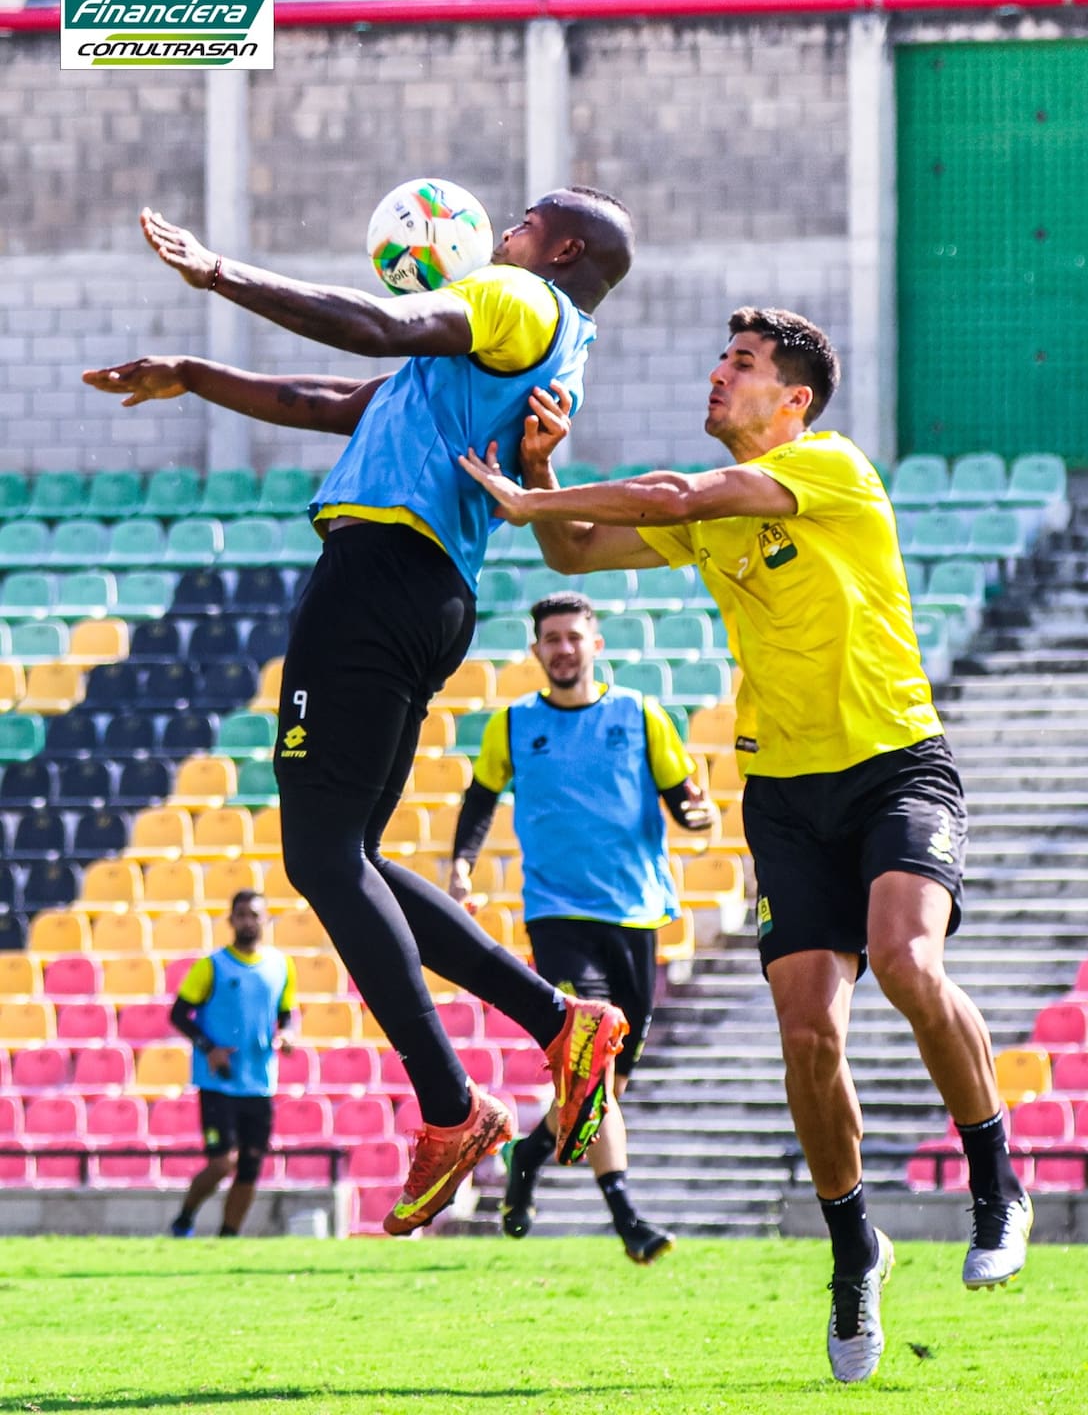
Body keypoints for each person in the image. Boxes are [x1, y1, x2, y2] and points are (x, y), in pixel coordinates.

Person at [460, 306, 1033, 1383]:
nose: (719, 374)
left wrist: (531, 490)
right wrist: (549, 468)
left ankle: (997, 1177)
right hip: (783, 794)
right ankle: (854, 1242)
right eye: (720, 358)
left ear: (794, 400)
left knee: (908, 961)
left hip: (895, 765)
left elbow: (672, 494)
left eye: (744, 364)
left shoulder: (831, 468)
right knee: (809, 1035)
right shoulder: (713, 518)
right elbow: (576, 547)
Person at [83, 186, 637, 1235]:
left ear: (555, 249)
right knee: (353, 857)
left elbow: (375, 320)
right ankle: (560, 1025)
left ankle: (452, 1103)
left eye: (520, 220)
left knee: (324, 857)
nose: (500, 231)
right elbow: (336, 397)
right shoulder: (501, 351)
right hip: (423, 590)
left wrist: (219, 273)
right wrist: (195, 373)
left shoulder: (516, 298)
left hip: (381, 573)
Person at [449, 590, 715, 1263]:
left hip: (637, 915)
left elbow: (684, 800)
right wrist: (460, 868)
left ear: (596, 645)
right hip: (557, 915)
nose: (563, 648)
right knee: (589, 1066)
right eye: (551, 639)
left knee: (595, 1093)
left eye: (574, 636)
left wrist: (700, 818)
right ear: (535, 650)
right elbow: (480, 798)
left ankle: (527, 1160)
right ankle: (627, 1218)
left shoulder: (642, 715)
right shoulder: (511, 725)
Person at [167, 890, 297, 1238]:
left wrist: (287, 1035)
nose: (247, 921)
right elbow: (179, 1014)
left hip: (260, 1081)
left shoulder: (281, 966)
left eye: (254, 914)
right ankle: (185, 1218)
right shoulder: (212, 966)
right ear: (230, 921)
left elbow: (287, 1014)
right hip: (219, 1082)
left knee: (250, 1166)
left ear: (265, 919)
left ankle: (228, 1238)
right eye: (240, 915)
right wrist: (209, 1048)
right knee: (223, 1162)